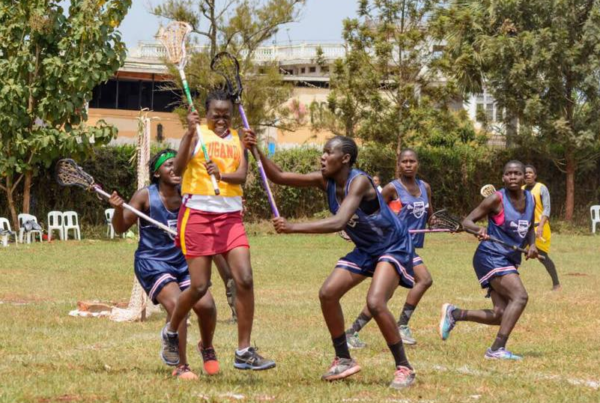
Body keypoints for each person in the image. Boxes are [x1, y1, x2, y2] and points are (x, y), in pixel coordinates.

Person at [244, 132, 417, 389]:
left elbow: (339, 222)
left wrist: (292, 227)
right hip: (367, 248)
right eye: (323, 152)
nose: (322, 157)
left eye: (328, 152)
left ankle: (404, 368)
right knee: (328, 293)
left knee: (375, 302)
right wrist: (254, 149)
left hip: (392, 246)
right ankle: (344, 359)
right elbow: (278, 177)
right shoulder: (324, 181)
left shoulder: (358, 182)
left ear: (345, 158)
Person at [160, 90, 275, 371]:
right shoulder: (196, 133)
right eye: (215, 115)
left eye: (226, 115)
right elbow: (178, 166)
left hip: (230, 217)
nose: (221, 120)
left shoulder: (239, 138)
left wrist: (222, 174)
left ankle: (244, 350)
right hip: (198, 216)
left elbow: (242, 176)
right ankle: (171, 331)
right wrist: (188, 134)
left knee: (244, 278)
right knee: (199, 286)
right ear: (206, 114)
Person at [109, 149, 218, 379]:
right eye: (168, 164)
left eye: (176, 164)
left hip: (183, 261)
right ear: (157, 173)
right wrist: (118, 210)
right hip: (153, 262)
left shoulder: (189, 194)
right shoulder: (145, 196)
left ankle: (206, 347)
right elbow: (120, 228)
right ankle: (182, 366)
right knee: (178, 304)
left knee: (207, 305)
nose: (174, 168)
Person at [438, 160, 538, 360]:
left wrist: (532, 245)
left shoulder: (531, 199)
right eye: (508, 174)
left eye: (517, 173)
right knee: (520, 297)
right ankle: (496, 349)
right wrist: (478, 229)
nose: (512, 177)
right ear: (503, 178)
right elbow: (467, 221)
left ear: (525, 177)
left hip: (508, 258)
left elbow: (528, 227)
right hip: (490, 255)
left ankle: (455, 314)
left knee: (500, 314)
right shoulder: (496, 199)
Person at [345, 149, 433, 348]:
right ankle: (401, 326)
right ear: (399, 164)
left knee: (384, 295)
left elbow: (429, 215)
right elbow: (373, 213)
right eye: (405, 162)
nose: (408, 165)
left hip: (409, 246)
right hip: (394, 244)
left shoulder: (425, 187)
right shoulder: (392, 188)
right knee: (424, 279)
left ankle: (352, 332)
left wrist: (437, 222)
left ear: (418, 164)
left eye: (412, 161)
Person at [524, 165, 561, 291]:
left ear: (535, 175)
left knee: (542, 257)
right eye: (525, 173)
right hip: (525, 228)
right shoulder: (521, 189)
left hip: (540, 227)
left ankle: (556, 284)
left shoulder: (541, 188)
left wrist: (540, 225)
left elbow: (547, 208)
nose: (527, 175)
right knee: (513, 253)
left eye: (530, 172)